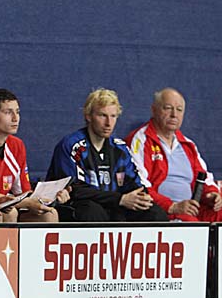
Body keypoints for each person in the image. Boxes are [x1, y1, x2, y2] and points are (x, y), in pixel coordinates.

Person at [46, 88, 168, 222]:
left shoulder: (120, 148)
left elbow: (132, 182)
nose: (108, 123)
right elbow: (74, 189)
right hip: (80, 206)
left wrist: (140, 196)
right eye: (102, 115)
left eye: (113, 116)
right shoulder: (72, 145)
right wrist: (119, 199)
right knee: (92, 210)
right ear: (88, 116)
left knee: (155, 213)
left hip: (114, 205)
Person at [0, 89, 65, 223]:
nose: (15, 118)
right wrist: (16, 201)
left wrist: (52, 196)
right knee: (3, 214)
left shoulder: (17, 145)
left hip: (7, 207)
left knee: (49, 214)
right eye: (8, 112)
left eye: (17, 112)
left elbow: (23, 192)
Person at [125, 87, 222, 221]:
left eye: (179, 110)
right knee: (191, 223)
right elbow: (139, 186)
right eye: (168, 108)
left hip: (190, 209)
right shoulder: (140, 140)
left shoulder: (188, 145)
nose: (174, 114)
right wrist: (172, 206)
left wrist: (212, 194)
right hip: (161, 212)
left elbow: (204, 178)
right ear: (154, 110)